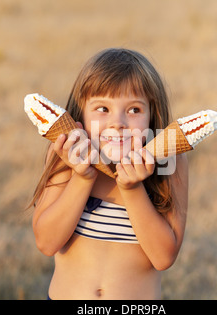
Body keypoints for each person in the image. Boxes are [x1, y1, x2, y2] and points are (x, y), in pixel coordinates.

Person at [29, 48, 188, 299]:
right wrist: (82, 178)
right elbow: (47, 243)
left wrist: (132, 189)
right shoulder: (65, 156)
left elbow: (163, 257)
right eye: (102, 108)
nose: (118, 122)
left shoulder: (169, 161)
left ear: (152, 115)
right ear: (80, 112)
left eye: (134, 110)